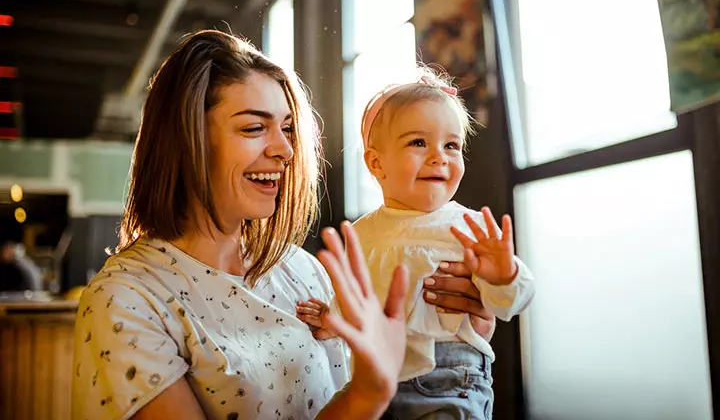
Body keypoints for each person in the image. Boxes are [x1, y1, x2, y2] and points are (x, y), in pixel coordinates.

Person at [71, 30, 496, 420]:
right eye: (255, 127)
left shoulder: (302, 270)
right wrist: (366, 395)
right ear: (187, 140)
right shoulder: (126, 300)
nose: (285, 150)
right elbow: (367, 390)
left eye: (288, 129)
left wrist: (466, 327)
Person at [297, 71, 535, 419]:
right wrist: (332, 321)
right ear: (376, 162)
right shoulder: (363, 232)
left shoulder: (469, 227)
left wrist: (503, 275)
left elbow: (509, 304)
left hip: (449, 378)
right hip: (375, 374)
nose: (439, 157)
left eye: (451, 145)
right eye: (418, 143)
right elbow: (362, 295)